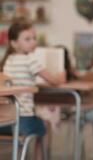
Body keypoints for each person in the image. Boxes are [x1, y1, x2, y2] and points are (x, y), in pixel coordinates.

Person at [0, 21, 65, 160]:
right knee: (45, 126)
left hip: (4, 120)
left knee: (22, 135)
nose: (33, 42)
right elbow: (54, 81)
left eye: (34, 38)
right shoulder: (30, 59)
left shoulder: (8, 60)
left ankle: (17, 156)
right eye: (27, 39)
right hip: (23, 119)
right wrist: (61, 76)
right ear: (14, 43)